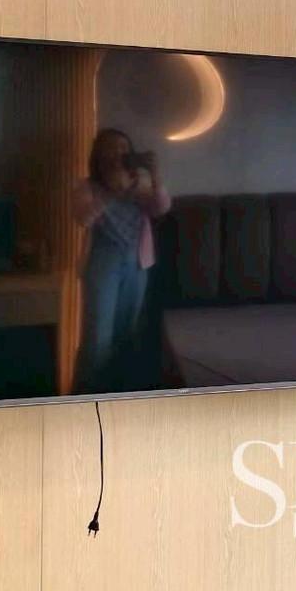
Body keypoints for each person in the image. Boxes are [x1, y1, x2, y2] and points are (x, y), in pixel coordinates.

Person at [73, 128, 171, 393]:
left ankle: (117, 390)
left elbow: (161, 208)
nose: (118, 153)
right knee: (97, 336)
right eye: (112, 147)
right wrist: (113, 192)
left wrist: (155, 176)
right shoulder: (86, 187)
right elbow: (83, 218)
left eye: (124, 147)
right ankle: (85, 393)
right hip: (101, 263)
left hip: (137, 263)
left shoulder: (139, 185)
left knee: (127, 332)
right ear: (99, 154)